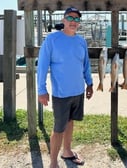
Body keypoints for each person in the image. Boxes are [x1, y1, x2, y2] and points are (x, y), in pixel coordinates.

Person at [37, 7, 93, 168]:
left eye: (77, 19)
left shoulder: (81, 41)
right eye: (70, 18)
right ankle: (53, 162)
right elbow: (42, 66)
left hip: (79, 91)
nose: (73, 22)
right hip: (61, 94)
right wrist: (42, 90)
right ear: (63, 20)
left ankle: (67, 151)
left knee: (70, 122)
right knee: (59, 128)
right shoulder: (52, 40)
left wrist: (89, 83)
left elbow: (86, 65)